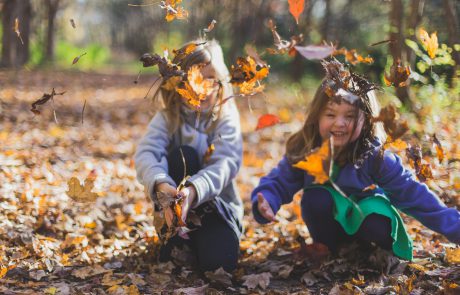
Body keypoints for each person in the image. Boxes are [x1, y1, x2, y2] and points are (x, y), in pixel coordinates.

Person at [251, 59, 460, 260]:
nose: (339, 123)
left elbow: (414, 195)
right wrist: (268, 200)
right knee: (316, 198)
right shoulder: (307, 149)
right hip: (329, 229)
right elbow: (279, 181)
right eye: (330, 115)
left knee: (375, 216)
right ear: (317, 116)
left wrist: (455, 228)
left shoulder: (375, 156)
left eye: (349, 116)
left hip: (369, 226)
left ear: (366, 121)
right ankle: (330, 248)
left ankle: (369, 251)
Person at [135, 39, 243, 272]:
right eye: (192, 78)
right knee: (183, 155)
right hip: (172, 211)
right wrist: (161, 184)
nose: (200, 87)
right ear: (177, 83)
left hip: (217, 210)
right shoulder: (168, 118)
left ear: (221, 81)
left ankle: (208, 241)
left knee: (219, 265)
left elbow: (226, 163)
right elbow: (146, 153)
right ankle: (175, 238)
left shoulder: (225, 118)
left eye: (209, 78)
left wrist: (193, 192)